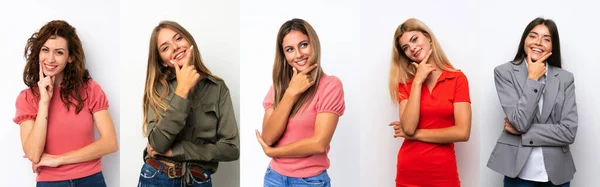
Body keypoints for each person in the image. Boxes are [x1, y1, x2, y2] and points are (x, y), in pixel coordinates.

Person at [14, 20, 118, 187]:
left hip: (91, 179)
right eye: (45, 50)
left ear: (70, 57)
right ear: (38, 53)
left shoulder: (90, 89)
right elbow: (33, 154)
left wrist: (59, 160)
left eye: (59, 52)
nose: (50, 58)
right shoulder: (27, 98)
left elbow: (110, 142)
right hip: (51, 183)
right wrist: (44, 102)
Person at [138, 21, 240, 187]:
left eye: (178, 38)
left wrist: (180, 151)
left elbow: (231, 149)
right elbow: (157, 144)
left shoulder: (218, 88)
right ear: (163, 61)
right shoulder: (157, 89)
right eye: (165, 48)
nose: (175, 47)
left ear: (189, 41)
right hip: (156, 177)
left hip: (197, 180)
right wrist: (182, 90)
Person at [255, 18, 346, 187]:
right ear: (284, 55)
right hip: (273, 178)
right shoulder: (279, 87)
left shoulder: (330, 86)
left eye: (303, 45)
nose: (298, 54)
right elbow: (268, 137)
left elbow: (319, 143)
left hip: (310, 182)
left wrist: (275, 152)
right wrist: (291, 92)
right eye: (290, 49)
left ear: (314, 44)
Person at [487, 17, 577, 187]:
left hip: (558, 172)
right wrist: (533, 79)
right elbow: (520, 121)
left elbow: (568, 132)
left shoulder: (565, 78)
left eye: (546, 39)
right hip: (518, 172)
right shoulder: (504, 72)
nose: (538, 42)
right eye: (533, 36)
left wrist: (523, 133)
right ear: (525, 40)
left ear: (553, 45)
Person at [388, 18, 472, 187]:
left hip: (443, 174)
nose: (412, 48)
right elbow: (408, 126)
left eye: (414, 39)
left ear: (428, 38)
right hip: (408, 173)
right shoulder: (406, 83)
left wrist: (416, 134)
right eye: (405, 48)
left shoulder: (457, 79)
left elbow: (463, 132)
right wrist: (418, 81)